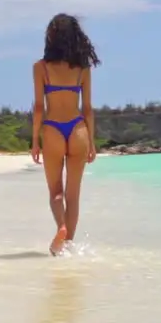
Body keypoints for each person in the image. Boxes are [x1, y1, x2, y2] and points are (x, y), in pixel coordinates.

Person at [31, 13, 99, 256]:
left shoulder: (40, 68)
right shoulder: (83, 69)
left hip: (53, 130)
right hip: (78, 129)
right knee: (74, 196)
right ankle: (67, 246)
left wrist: (35, 141)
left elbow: (39, 107)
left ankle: (61, 227)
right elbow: (88, 108)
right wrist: (91, 141)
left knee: (55, 193)